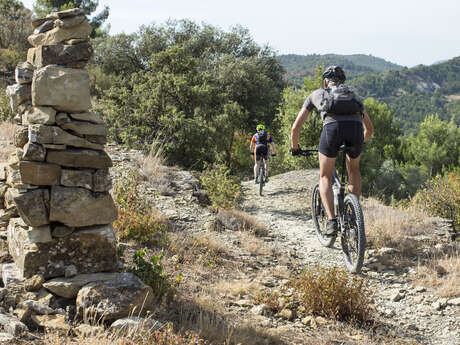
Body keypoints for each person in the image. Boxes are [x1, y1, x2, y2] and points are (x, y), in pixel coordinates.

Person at [290, 66, 374, 236]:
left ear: (325, 82)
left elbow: (296, 127)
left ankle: (332, 221)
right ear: (343, 82)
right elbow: (370, 130)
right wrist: (358, 143)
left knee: (325, 176)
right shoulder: (353, 96)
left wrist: (295, 147)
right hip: (356, 130)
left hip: (332, 130)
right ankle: (352, 215)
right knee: (354, 170)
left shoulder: (316, 94)